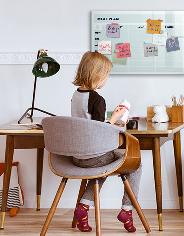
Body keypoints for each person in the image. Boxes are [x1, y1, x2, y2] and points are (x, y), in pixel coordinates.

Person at [71, 51, 141, 233]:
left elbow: (88, 124)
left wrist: (110, 119)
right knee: (136, 164)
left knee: (101, 168)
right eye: (107, 75)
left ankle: (83, 208)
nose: (107, 79)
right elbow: (98, 131)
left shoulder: (76, 95)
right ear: (97, 75)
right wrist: (115, 119)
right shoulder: (97, 99)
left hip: (77, 156)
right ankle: (127, 210)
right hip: (94, 156)